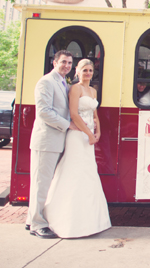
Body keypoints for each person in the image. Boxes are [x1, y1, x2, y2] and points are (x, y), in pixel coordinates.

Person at [43, 59, 111, 238]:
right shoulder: (75, 89)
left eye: (90, 70)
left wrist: (98, 132)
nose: (88, 73)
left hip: (88, 135)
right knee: (74, 171)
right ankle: (66, 219)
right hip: (77, 135)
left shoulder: (93, 90)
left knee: (88, 172)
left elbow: (95, 114)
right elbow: (74, 113)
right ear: (77, 72)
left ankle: (89, 221)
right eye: (84, 70)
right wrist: (88, 133)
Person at [26, 50, 79, 239]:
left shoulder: (63, 82)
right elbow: (44, 111)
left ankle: (31, 219)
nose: (67, 65)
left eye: (70, 62)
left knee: (45, 182)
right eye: (63, 62)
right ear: (54, 62)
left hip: (55, 140)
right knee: (41, 183)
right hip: (46, 140)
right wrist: (68, 125)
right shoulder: (46, 82)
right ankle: (37, 224)